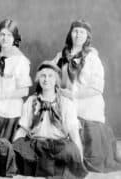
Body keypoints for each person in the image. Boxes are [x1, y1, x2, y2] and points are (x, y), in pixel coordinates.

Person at [52, 19, 121, 172]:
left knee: (92, 154)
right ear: (70, 34)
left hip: (87, 105)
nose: (78, 35)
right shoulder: (61, 56)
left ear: (87, 37)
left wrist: (74, 94)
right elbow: (49, 75)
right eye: (75, 31)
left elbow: (97, 89)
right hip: (66, 103)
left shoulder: (92, 58)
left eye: (82, 32)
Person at [13, 61, 87, 178]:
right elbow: (23, 129)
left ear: (56, 79)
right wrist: (15, 145)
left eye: (50, 76)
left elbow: (73, 132)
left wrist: (79, 157)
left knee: (71, 151)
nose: (46, 79)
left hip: (58, 146)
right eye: (43, 76)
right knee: (17, 148)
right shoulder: (31, 101)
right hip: (36, 145)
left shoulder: (66, 103)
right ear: (38, 78)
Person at [0, 19, 32, 142]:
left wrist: (3, 95)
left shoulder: (21, 60)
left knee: (5, 147)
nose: (5, 38)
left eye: (9, 35)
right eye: (2, 34)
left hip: (11, 113)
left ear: (15, 38)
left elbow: (24, 91)